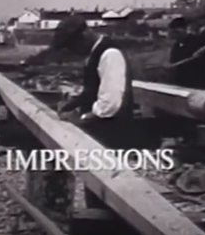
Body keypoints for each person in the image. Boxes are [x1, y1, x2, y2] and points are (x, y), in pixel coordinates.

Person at [26, 14, 134, 149]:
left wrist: (80, 119)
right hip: (99, 133)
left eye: (71, 46)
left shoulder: (110, 54)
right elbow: (91, 90)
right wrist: (72, 104)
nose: (72, 51)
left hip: (112, 137)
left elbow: (110, 104)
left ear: (83, 36)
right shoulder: (94, 54)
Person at [167, 17, 205, 89]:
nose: (175, 35)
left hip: (198, 80)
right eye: (173, 33)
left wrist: (202, 50)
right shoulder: (176, 47)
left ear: (183, 30)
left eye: (176, 32)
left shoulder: (197, 39)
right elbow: (173, 63)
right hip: (182, 82)